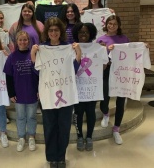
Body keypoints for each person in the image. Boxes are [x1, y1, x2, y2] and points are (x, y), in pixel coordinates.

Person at [31, 17, 81, 168]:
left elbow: (75, 68)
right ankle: (52, 157)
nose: (53, 33)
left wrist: (78, 51)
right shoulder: (42, 48)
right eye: (51, 30)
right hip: (48, 94)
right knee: (50, 127)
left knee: (64, 127)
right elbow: (36, 70)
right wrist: (33, 54)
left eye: (56, 30)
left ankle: (61, 157)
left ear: (61, 32)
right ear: (47, 32)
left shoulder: (68, 47)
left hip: (65, 94)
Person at [72, 22, 108, 151]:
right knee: (78, 114)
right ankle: (80, 136)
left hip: (92, 87)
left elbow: (103, 66)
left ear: (91, 34)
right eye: (81, 32)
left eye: (86, 32)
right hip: (77, 87)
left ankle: (89, 137)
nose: (83, 34)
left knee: (91, 113)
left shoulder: (98, 48)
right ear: (77, 33)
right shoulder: (72, 47)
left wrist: (102, 50)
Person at [96, 15, 129, 145]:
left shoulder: (124, 38)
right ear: (106, 24)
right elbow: (96, 57)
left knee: (121, 101)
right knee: (104, 98)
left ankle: (116, 129)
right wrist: (104, 49)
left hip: (121, 72)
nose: (112, 26)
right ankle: (105, 113)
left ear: (118, 25)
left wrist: (143, 46)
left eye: (115, 24)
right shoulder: (101, 39)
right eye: (110, 23)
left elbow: (131, 53)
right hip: (106, 72)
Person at [4, 31, 38, 152]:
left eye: (25, 40)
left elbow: (40, 74)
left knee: (31, 117)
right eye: (20, 40)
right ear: (16, 42)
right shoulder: (12, 57)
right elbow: (8, 76)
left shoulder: (34, 55)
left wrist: (39, 90)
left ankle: (32, 137)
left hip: (32, 92)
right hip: (18, 94)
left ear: (28, 41)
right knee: (20, 117)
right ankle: (21, 137)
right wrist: (11, 93)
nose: (23, 42)